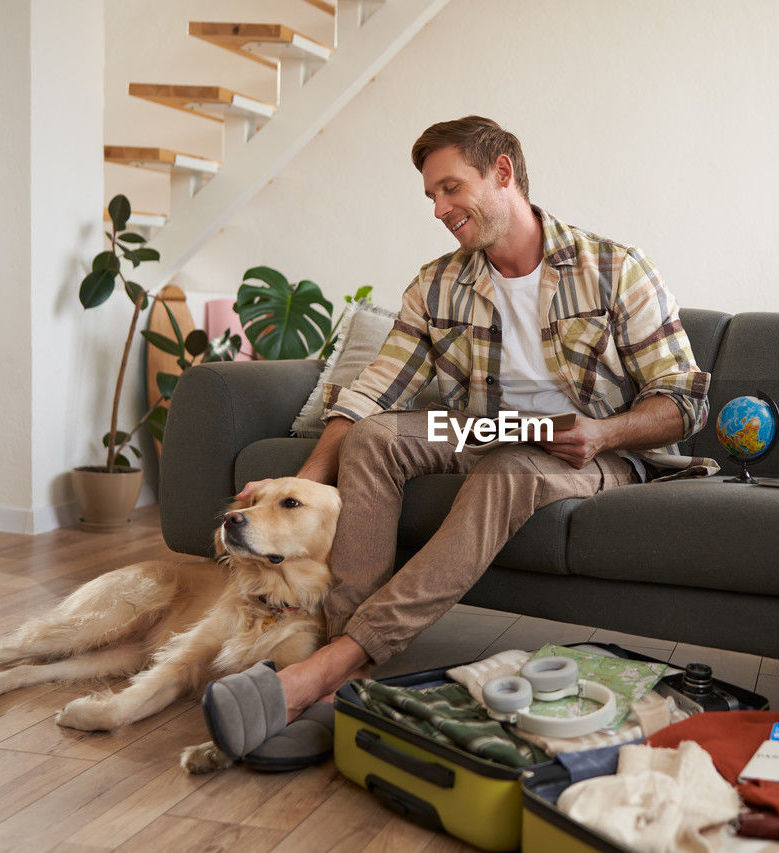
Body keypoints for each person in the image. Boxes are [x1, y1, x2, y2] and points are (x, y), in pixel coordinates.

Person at [201, 116, 715, 767]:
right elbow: (375, 389)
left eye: (450, 188)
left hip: (599, 448)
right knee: (376, 438)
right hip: (485, 429)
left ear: (503, 172)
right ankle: (345, 682)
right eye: (431, 197)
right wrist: (301, 482)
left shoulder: (614, 269)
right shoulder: (438, 283)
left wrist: (603, 431)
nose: (440, 209)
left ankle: (323, 673)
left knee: (509, 469)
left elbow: (684, 401)